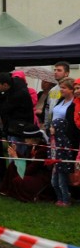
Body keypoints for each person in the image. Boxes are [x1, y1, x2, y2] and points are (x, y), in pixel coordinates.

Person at [0, 124, 55, 203]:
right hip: (32, 172)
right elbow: (27, 160)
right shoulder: (31, 147)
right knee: (12, 166)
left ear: (33, 138)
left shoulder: (42, 150)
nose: (25, 140)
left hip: (41, 176)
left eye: (27, 138)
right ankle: (6, 190)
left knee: (18, 180)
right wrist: (16, 153)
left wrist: (16, 158)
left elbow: (31, 169)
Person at [0, 72, 34, 157]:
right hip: (12, 126)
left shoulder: (17, 95)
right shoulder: (13, 84)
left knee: (16, 155)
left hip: (19, 129)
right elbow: (3, 97)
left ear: (5, 85)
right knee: (12, 153)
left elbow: (2, 110)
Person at [48, 77, 76, 207]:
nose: (61, 90)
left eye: (64, 88)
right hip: (54, 136)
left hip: (65, 138)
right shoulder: (60, 100)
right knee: (55, 170)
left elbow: (71, 123)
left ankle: (67, 197)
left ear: (71, 89)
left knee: (63, 171)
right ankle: (60, 197)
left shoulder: (74, 104)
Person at [45, 62, 70, 130]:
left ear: (66, 73)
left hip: (66, 126)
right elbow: (47, 108)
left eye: (59, 70)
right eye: (55, 70)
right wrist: (46, 124)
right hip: (51, 125)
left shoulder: (71, 88)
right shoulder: (52, 90)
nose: (55, 72)